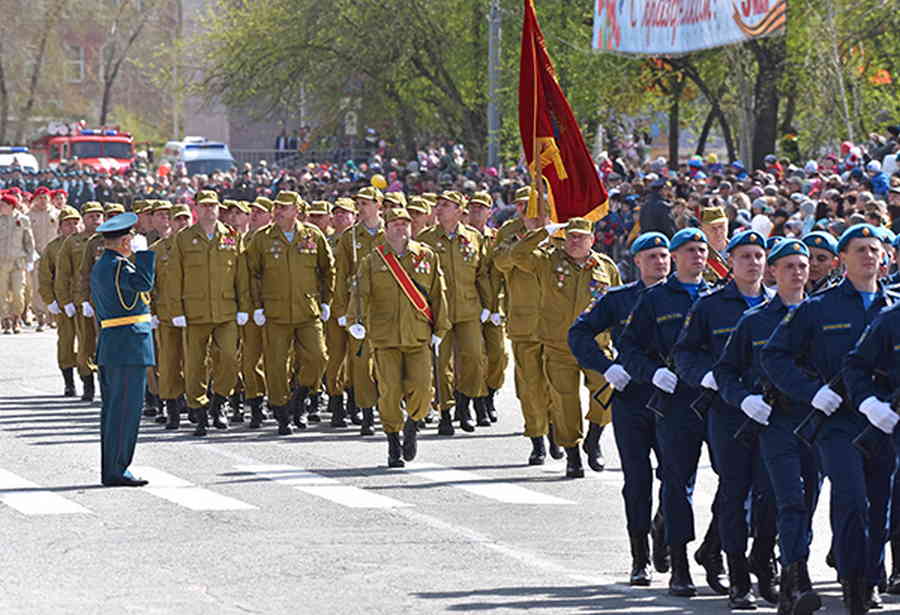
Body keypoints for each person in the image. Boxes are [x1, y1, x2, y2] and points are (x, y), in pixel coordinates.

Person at [763, 224, 895, 613]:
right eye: (860, 249)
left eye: (875, 249)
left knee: (880, 505)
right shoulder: (818, 308)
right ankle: (854, 586)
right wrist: (811, 392)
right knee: (852, 499)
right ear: (842, 260)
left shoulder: (893, 308)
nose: (869, 255)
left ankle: (870, 575)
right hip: (838, 422)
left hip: (885, 421)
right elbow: (775, 356)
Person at [715, 239, 822, 615]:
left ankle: (770, 563)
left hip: (811, 422)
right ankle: (746, 579)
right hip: (762, 421)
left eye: (802, 265)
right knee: (750, 496)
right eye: (788, 265)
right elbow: (726, 370)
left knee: (800, 502)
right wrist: (744, 398)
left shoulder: (822, 316)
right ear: (774, 272)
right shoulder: (755, 320)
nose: (797, 272)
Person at [673, 229, 777, 609]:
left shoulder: (779, 305)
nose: (753, 263)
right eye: (745, 256)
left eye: (758, 256)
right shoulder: (711, 305)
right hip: (729, 412)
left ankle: (764, 565)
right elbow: (685, 353)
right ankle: (738, 579)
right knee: (735, 493)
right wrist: (708, 376)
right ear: (730, 262)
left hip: (772, 416)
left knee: (771, 496)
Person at [618, 228, 725, 598]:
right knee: (677, 484)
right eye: (689, 251)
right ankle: (679, 564)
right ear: (675, 257)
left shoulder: (719, 297)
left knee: (736, 481)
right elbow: (627, 349)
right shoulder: (654, 300)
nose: (698, 256)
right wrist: (651, 373)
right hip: (676, 399)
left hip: (717, 400)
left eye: (702, 250)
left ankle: (714, 546)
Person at [569, 231, 671, 586]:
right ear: (637, 262)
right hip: (632, 399)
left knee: (677, 478)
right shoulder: (618, 299)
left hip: (672, 401)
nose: (660, 262)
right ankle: (639, 557)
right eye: (652, 256)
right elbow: (579, 334)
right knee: (638, 480)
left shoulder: (686, 297)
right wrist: (606, 366)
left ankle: (664, 527)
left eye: (664, 255)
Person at [509, 217, 618, 478]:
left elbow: (619, 304)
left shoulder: (606, 266)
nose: (575, 241)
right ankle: (572, 454)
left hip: (596, 345)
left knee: (607, 391)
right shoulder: (548, 261)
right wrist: (543, 232)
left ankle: (594, 437)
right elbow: (517, 254)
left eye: (581, 236)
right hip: (559, 345)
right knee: (564, 401)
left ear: (592, 240)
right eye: (571, 236)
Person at [348, 207, 449, 466]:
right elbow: (360, 296)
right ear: (386, 227)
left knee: (422, 389)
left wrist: (440, 329)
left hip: (418, 335)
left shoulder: (426, 256)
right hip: (385, 337)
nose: (401, 227)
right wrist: (355, 322)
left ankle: (413, 424)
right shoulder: (373, 260)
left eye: (405, 223)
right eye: (395, 223)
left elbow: (438, 295)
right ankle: (393, 440)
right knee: (390, 391)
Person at [245, 190, 334, 436]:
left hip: (307, 309)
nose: (279, 212)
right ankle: (282, 412)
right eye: (277, 207)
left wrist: (326, 301)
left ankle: (301, 396)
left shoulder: (313, 235)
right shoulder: (262, 238)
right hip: (275, 311)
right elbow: (252, 273)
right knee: (275, 365)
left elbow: (327, 271)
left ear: (297, 210)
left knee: (319, 357)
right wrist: (257, 306)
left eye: (285, 207)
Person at [166, 194, 250, 436]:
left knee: (229, 358)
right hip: (195, 311)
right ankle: (199, 409)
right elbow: (174, 277)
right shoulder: (183, 238)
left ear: (218, 208)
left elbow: (241, 276)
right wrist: (176, 311)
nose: (209, 210)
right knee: (195, 364)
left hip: (226, 310)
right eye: (204, 206)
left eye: (212, 205)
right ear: (197, 209)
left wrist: (244, 307)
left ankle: (220, 400)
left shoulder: (232, 236)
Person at [493, 186, 562, 463]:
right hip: (524, 320)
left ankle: (558, 432)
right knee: (530, 386)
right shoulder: (509, 233)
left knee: (557, 384)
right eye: (521, 205)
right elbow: (501, 262)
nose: (526, 210)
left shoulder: (560, 228)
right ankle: (537, 438)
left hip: (556, 321)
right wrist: (531, 236)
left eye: (531, 204)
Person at [90, 212, 155, 487]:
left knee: (115, 410)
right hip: (128, 346)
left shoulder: (103, 265)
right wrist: (144, 256)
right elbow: (144, 284)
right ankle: (117, 469)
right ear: (126, 242)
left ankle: (113, 467)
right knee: (125, 411)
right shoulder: (119, 267)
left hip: (115, 345)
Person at [418, 191, 490, 435]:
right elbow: (418, 278)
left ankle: (464, 404)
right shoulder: (425, 239)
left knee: (473, 358)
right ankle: (445, 412)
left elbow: (482, 274)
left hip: (469, 309)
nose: (439, 209)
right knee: (440, 364)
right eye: (438, 205)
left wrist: (489, 306)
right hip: (439, 312)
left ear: (460, 210)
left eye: (446, 205)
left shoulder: (473, 237)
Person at [334, 186, 384, 435]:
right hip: (361, 310)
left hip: (388, 310)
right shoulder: (349, 237)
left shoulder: (393, 234)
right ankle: (366, 412)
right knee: (362, 363)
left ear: (379, 205)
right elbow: (341, 274)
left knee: (387, 363)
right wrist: (343, 310)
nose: (361, 208)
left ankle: (388, 407)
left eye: (366, 203)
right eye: (359, 203)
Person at [55, 201, 104, 401]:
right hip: (82, 301)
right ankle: (88, 385)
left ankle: (105, 385)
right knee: (85, 344)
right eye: (91, 216)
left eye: (98, 215)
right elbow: (63, 273)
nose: (95, 219)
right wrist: (65, 301)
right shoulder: (72, 242)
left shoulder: (108, 239)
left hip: (104, 301)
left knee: (105, 345)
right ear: (84, 218)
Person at [466, 191, 507, 424]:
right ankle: (478, 402)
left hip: (494, 305)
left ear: (490, 212)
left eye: (481, 208)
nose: (476, 211)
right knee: (474, 356)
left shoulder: (496, 238)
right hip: (470, 305)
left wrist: (498, 306)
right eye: (473, 207)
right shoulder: (464, 237)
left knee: (498, 355)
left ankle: (490, 393)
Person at [149, 203, 190, 429]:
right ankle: (171, 407)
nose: (182, 223)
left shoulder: (199, 246)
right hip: (166, 314)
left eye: (186, 219)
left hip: (194, 313)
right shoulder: (156, 250)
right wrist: (152, 312)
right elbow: (149, 286)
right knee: (169, 362)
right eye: (178, 219)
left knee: (196, 362)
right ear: (170, 223)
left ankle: (195, 404)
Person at [39, 206, 82, 395]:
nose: (72, 227)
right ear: (60, 226)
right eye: (68, 224)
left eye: (75, 223)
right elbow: (45, 276)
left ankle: (89, 382)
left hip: (84, 301)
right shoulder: (53, 248)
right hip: (63, 301)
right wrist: (50, 300)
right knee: (66, 341)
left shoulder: (88, 244)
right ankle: (69, 382)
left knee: (88, 342)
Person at [0, 192, 36, 334]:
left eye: (2, 205)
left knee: (18, 292)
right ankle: (5, 320)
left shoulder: (23, 220)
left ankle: (16, 318)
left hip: (17, 262)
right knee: (2, 293)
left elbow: (29, 241)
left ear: (11, 206)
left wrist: (30, 259)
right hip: (1, 262)